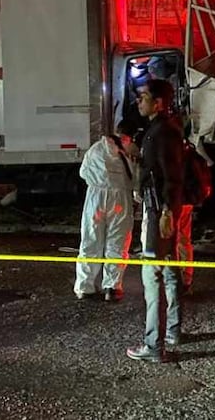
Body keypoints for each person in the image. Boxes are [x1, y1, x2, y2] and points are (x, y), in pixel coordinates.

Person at [126, 79, 185, 363]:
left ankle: (153, 344)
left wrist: (166, 212)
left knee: (153, 275)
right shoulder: (161, 129)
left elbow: (171, 176)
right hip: (161, 209)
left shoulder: (162, 132)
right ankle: (172, 331)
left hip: (159, 212)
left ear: (159, 102)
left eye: (144, 97)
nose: (140, 101)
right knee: (170, 269)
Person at [74, 120, 138, 302]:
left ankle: (84, 286)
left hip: (96, 196)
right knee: (117, 242)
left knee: (90, 240)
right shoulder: (130, 151)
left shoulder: (96, 148)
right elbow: (137, 176)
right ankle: (112, 287)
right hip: (121, 198)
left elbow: (83, 172)